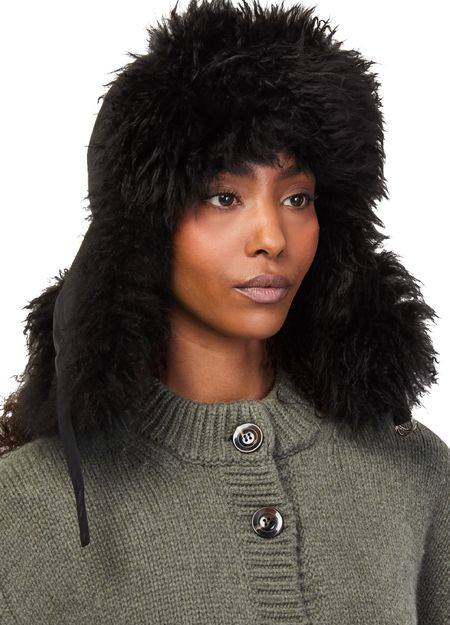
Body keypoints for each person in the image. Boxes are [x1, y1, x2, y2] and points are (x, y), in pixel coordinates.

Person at [0, 0, 448, 623]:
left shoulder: (414, 474)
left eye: (298, 197)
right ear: (145, 228)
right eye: (223, 196)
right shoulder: (25, 511)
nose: (271, 238)